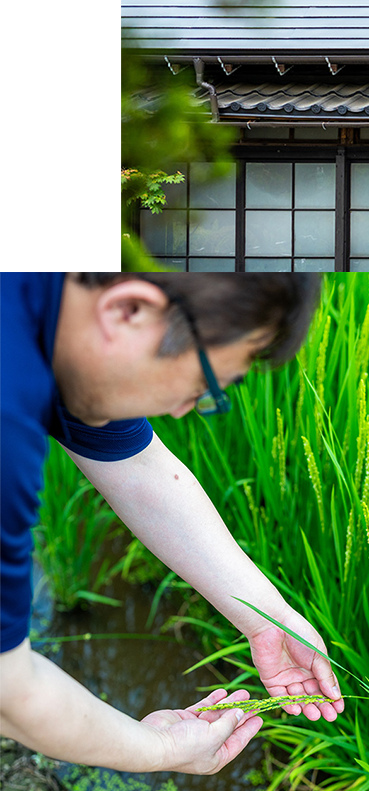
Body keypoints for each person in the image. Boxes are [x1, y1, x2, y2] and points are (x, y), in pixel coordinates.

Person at [0, 272, 343, 775]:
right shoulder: (8, 414)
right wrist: (160, 749)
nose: (182, 412)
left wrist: (267, 617)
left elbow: (136, 466)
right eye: (199, 387)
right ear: (129, 310)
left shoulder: (59, 306)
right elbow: (9, 689)